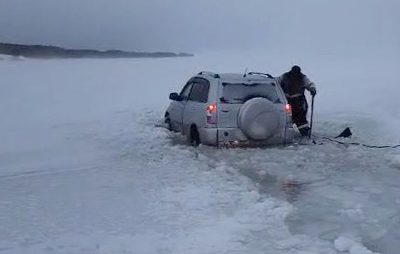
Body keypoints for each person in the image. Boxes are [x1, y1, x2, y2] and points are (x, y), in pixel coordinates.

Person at [279, 65, 317, 136]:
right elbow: (277, 83)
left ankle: (304, 131)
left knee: (300, 115)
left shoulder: (302, 77)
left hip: (298, 100)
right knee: (287, 115)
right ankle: (286, 131)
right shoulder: (284, 76)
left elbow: (309, 84)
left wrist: (312, 89)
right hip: (286, 101)